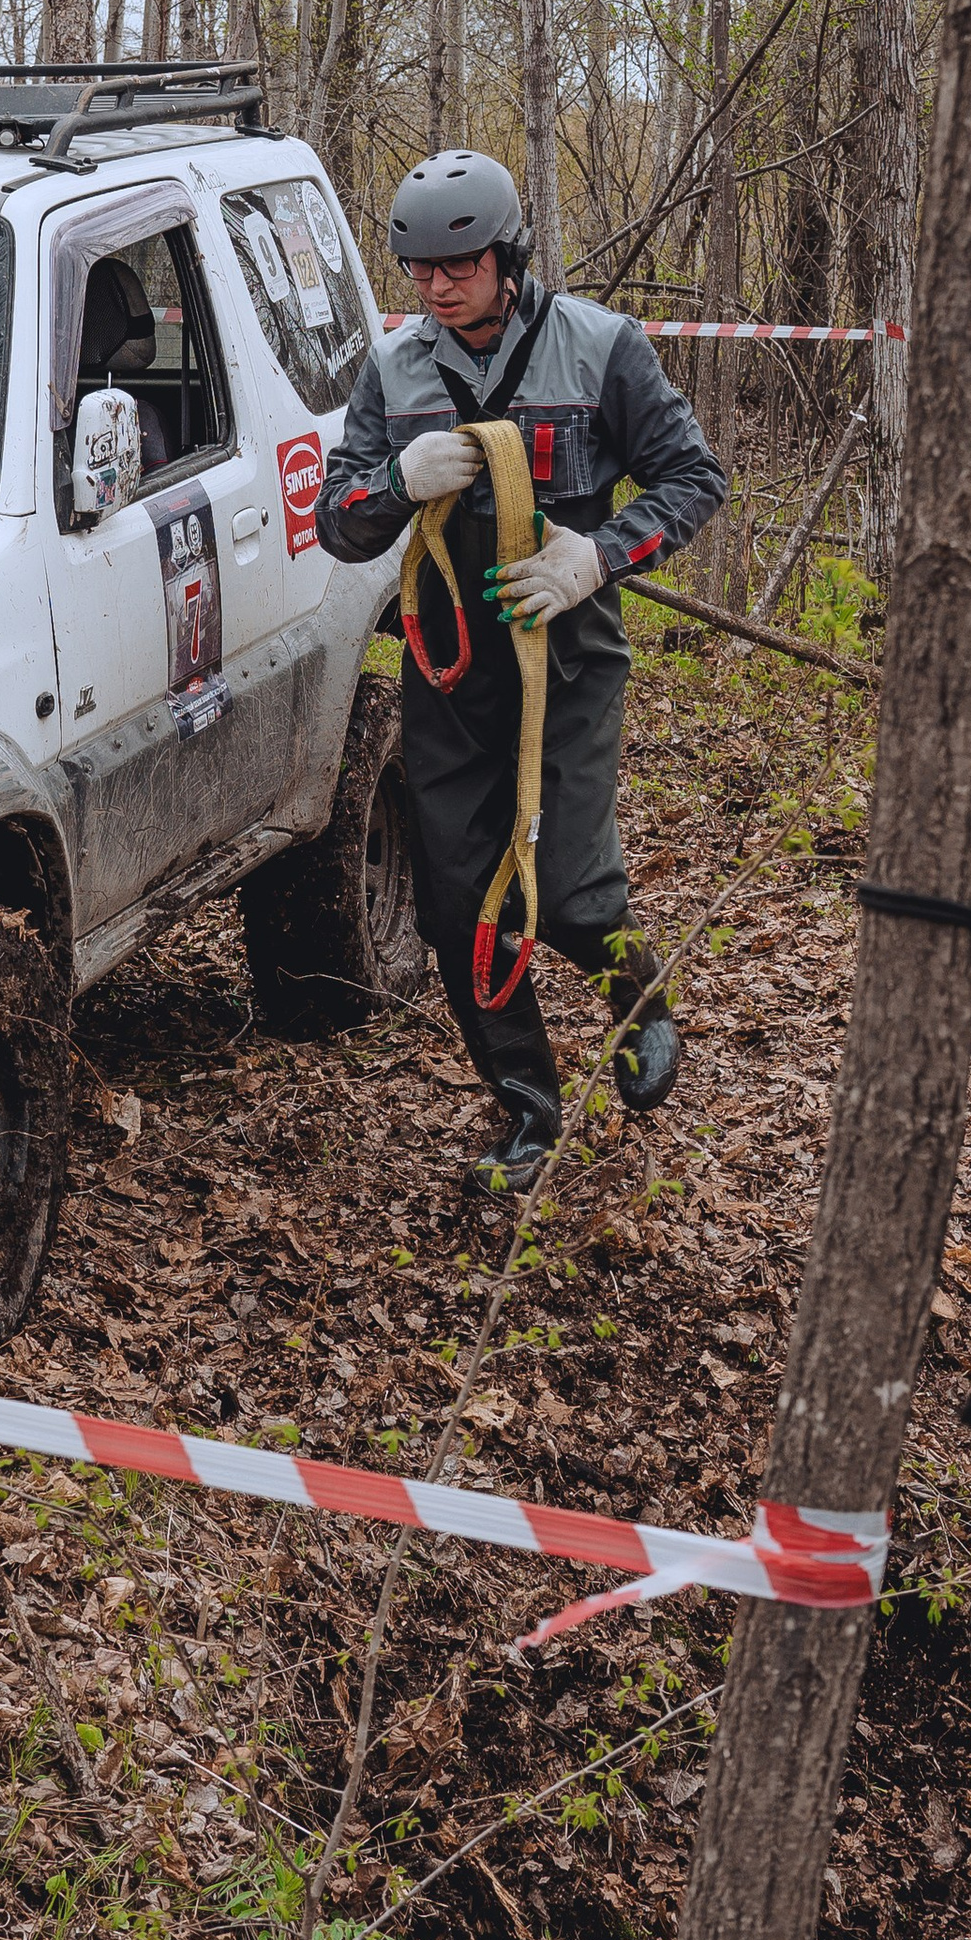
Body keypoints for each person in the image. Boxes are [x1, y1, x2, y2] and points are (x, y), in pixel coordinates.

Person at [314, 149, 727, 1196]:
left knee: (570, 890)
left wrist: (600, 554)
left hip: (569, 657)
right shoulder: (394, 371)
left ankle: (639, 997)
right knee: (459, 908)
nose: (437, 286)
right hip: (448, 668)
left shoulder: (600, 348)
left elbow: (694, 477)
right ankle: (529, 1109)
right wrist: (395, 481)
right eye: (419, 269)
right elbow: (338, 525)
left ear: (510, 257)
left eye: (459, 265)